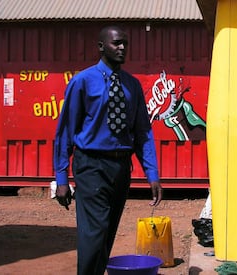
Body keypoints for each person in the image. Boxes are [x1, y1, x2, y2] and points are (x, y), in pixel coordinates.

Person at [53, 25, 163, 274]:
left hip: (121, 168)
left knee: (106, 235)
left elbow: (143, 133)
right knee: (94, 235)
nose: (122, 47)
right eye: (116, 43)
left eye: (125, 43)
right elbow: (64, 132)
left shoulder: (132, 86)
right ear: (101, 47)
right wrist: (61, 178)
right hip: (91, 166)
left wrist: (152, 174)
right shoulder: (82, 82)